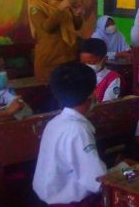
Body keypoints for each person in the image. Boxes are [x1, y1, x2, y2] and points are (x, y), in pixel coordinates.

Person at [33, 62, 106, 207]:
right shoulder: (78, 130)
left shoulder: (55, 122)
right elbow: (97, 182)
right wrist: (125, 170)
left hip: (48, 198)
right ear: (92, 94)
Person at [28, 0, 83, 81]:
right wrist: (60, 9)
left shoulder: (61, 2)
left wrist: (77, 14)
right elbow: (46, 28)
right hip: (51, 58)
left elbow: (76, 26)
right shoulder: (36, 7)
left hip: (69, 56)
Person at [79, 38, 122, 103]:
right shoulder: (78, 74)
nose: (86, 66)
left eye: (91, 63)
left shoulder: (113, 78)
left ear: (105, 59)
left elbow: (107, 105)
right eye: (83, 63)